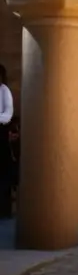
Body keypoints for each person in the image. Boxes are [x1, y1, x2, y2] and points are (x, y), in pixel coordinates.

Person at [0, 65, 14, 217]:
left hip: (1, 132)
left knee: (2, 171)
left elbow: (8, 114)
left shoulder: (4, 90)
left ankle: (3, 209)